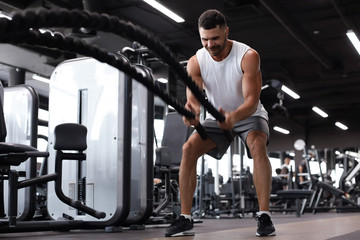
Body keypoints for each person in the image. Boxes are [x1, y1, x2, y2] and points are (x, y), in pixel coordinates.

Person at [165, 9, 275, 237]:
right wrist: (190, 113)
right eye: (204, 39)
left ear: (226, 32)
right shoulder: (196, 61)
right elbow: (193, 102)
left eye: (215, 38)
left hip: (248, 114)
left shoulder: (247, 56)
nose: (209, 44)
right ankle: (185, 218)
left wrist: (233, 117)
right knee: (188, 149)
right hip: (216, 117)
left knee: (257, 145)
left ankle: (264, 216)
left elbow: (252, 102)